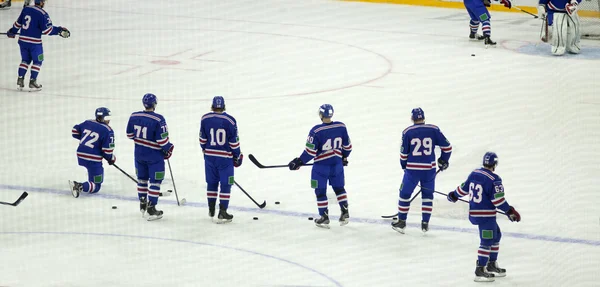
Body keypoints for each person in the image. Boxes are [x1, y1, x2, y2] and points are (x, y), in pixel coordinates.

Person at [446, 152, 521, 282]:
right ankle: (480, 270)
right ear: (495, 164)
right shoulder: (494, 179)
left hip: (475, 213)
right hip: (486, 216)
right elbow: (498, 201)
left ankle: (491, 264)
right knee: (487, 241)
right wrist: (510, 211)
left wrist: (453, 195)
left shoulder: (475, 173)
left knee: (496, 235)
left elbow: (464, 188)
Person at [288, 104, 352, 229]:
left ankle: (324, 217)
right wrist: (344, 157)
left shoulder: (316, 131)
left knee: (320, 192)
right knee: (339, 189)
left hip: (321, 168)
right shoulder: (341, 127)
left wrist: (299, 161)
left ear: (321, 115)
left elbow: (310, 152)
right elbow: (348, 147)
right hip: (337, 165)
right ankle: (345, 213)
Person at [392, 108, 452, 234]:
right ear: (424, 117)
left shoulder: (407, 132)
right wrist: (443, 160)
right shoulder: (434, 129)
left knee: (404, 194)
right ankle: (425, 223)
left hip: (412, 170)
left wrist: (404, 166)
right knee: (427, 196)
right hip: (429, 169)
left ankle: (402, 222)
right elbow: (447, 147)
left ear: (412, 118)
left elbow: (403, 153)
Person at [126, 94, 174, 221]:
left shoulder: (134, 116)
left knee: (142, 179)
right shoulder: (158, 119)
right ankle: (151, 208)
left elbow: (129, 134)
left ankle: (143, 203)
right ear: (154, 104)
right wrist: (168, 148)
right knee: (155, 181)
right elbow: (162, 140)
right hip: (154, 156)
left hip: (139, 154)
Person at [5, 0, 70, 91]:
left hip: (22, 41)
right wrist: (59, 30)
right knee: (38, 61)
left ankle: (20, 79)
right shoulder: (43, 14)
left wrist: (12, 32)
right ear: (42, 2)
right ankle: (32, 81)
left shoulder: (26, 9)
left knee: (25, 60)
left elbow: (17, 24)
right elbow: (48, 30)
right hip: (34, 43)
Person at [198, 96, 243, 223]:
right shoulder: (230, 120)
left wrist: (205, 149)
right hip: (225, 158)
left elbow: (202, 139)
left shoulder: (205, 118)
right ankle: (222, 212)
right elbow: (234, 142)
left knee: (211, 182)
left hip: (210, 157)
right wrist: (238, 156)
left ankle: (211, 209)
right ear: (224, 106)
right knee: (226, 184)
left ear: (212, 106)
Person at [70, 108, 116, 198]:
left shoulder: (88, 122)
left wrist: (86, 140)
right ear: (102, 117)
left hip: (80, 154)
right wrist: (111, 158)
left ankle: (87, 183)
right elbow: (107, 150)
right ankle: (80, 186)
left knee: (92, 175)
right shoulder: (108, 130)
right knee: (96, 186)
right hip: (93, 158)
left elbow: (74, 131)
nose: (108, 120)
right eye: (107, 117)